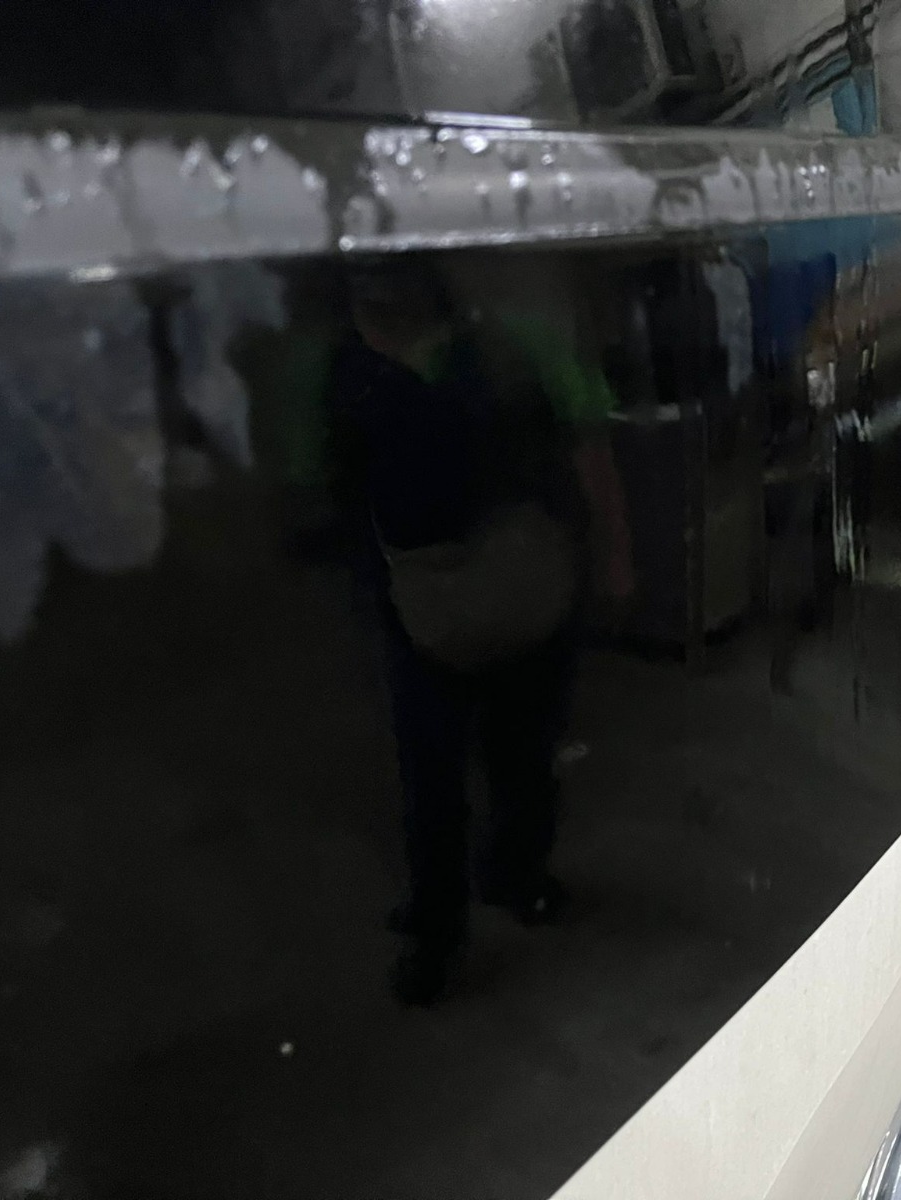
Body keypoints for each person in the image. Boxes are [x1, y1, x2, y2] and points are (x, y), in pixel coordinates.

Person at [331, 260, 630, 1005]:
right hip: (491, 591)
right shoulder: (498, 347)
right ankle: (479, 899)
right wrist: (611, 560)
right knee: (482, 763)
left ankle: (472, 906)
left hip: (463, 598)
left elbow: (589, 450)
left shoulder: (361, 371)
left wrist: (614, 559)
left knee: (473, 765)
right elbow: (589, 452)